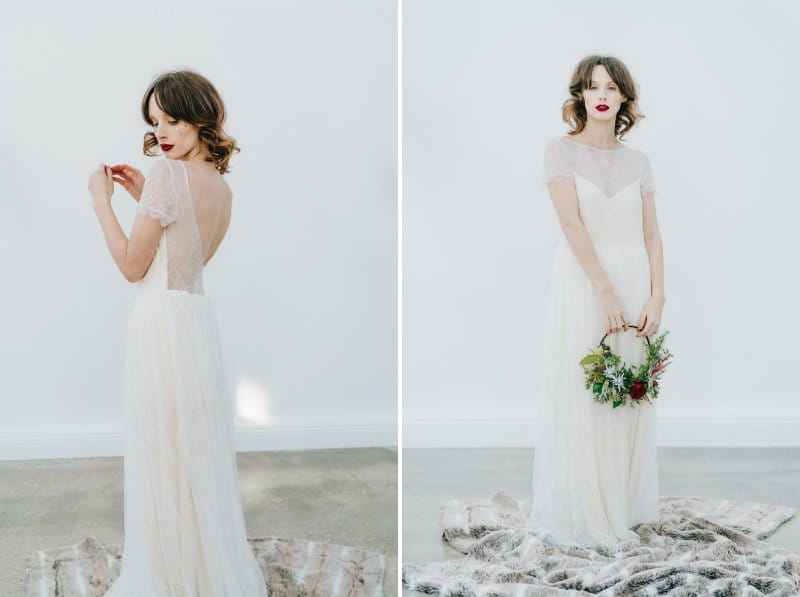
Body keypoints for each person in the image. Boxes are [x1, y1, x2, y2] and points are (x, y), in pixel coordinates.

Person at [88, 69, 268, 595]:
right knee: (192, 455)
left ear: (200, 118)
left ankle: (169, 576)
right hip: (196, 323)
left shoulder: (167, 174)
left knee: (163, 457)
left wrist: (103, 201)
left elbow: (133, 266)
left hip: (160, 326)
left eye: (173, 119)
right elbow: (186, 257)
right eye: (155, 122)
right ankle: (201, 571)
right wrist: (147, 197)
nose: (162, 132)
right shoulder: (222, 188)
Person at [525, 54, 665, 547]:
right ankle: (584, 508)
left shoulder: (638, 162)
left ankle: (618, 505)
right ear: (579, 96)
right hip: (586, 281)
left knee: (626, 393)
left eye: (611, 87)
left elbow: (651, 234)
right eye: (592, 87)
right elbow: (571, 225)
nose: (601, 94)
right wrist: (604, 291)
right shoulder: (559, 152)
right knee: (587, 390)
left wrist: (657, 293)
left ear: (624, 97)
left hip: (632, 277)